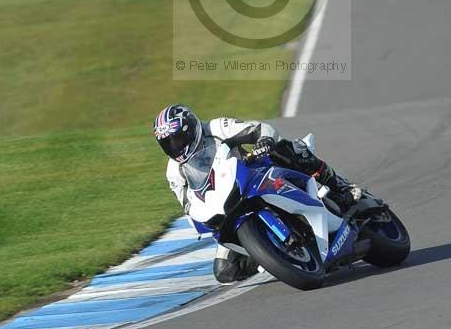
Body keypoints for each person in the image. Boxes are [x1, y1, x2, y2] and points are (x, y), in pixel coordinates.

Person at [153, 104, 360, 284]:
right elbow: (187, 204)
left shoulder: (217, 128)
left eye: (178, 139)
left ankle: (341, 186)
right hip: (228, 204)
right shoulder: (174, 171)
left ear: (191, 129)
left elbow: (260, 128)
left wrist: (264, 141)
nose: (175, 146)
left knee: (284, 148)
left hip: (255, 172)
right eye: (168, 143)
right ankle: (274, 256)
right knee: (225, 270)